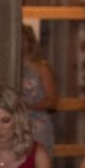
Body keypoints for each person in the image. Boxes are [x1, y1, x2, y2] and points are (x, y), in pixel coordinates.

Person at [21, 25, 58, 154]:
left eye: (23, 40)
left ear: (30, 43)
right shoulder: (6, 68)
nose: (20, 44)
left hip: (37, 126)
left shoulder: (42, 68)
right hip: (13, 125)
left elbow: (52, 101)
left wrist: (29, 106)